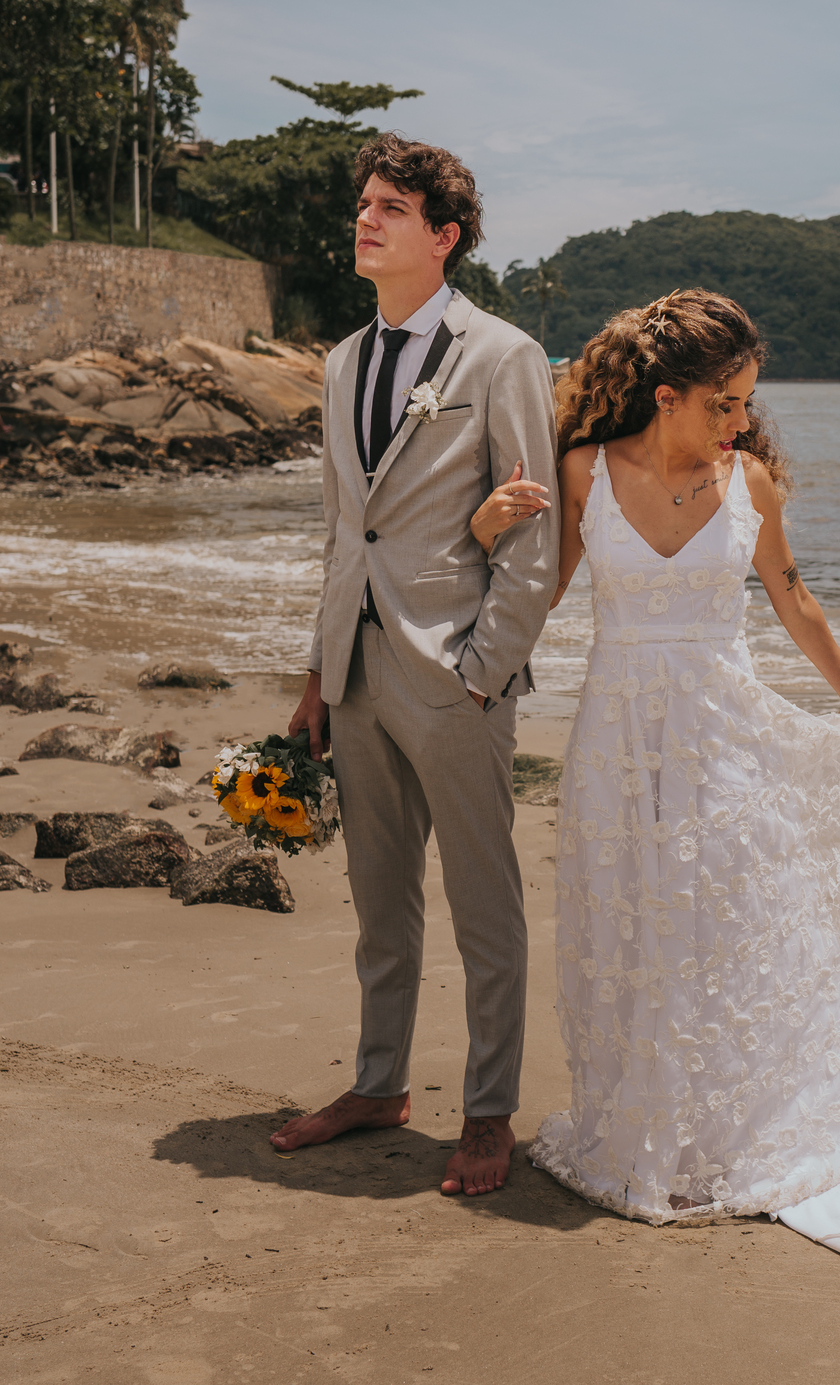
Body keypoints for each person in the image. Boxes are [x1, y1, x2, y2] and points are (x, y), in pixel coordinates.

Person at [469, 289, 840, 1255]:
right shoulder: (584, 472)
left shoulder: (749, 481)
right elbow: (539, 594)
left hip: (727, 736)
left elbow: (792, 594)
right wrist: (481, 548)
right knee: (631, 923)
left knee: (742, 924)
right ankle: (653, 1129)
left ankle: (754, 1122)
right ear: (667, 396)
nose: (741, 420)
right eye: (724, 403)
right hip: (617, 743)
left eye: (747, 402)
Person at [272, 134, 561, 1197]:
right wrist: (317, 672)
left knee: (485, 907)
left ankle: (488, 1113)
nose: (366, 219)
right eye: (365, 204)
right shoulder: (342, 361)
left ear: (444, 237)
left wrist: (484, 670)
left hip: (454, 676)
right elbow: (343, 531)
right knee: (379, 900)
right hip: (355, 669)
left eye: (391, 208)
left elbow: (533, 535)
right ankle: (378, 1084)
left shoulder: (504, 356)